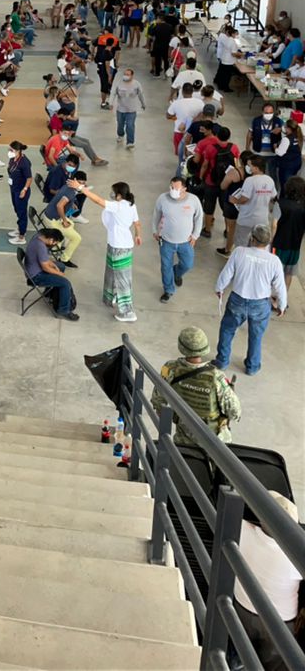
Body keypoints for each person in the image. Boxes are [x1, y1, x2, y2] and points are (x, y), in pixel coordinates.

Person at [233, 491, 301, 671]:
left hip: (241, 605)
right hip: (279, 620)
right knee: (276, 663)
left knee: (239, 649)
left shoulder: (241, 529)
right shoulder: (297, 553)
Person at [214, 226, 288, 375]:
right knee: (256, 336)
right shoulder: (274, 261)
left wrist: (219, 288)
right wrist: (282, 305)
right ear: (268, 242)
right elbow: (280, 286)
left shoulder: (239, 252)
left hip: (237, 300)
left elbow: (227, 273)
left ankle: (222, 361)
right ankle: (252, 367)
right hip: (260, 304)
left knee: (227, 330)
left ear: (252, 238)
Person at [151, 327, 241, 446]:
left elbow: (158, 400)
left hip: (183, 440)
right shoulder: (217, 377)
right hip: (216, 443)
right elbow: (234, 412)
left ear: (181, 346)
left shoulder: (169, 368)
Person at [154, 175, 201, 303]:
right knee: (165, 266)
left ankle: (177, 272)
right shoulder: (162, 199)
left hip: (186, 241)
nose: (172, 190)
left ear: (184, 189)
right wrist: (154, 230)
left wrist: (195, 235)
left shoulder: (193, 200)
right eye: (171, 187)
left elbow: (199, 217)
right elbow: (156, 214)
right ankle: (168, 290)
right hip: (166, 241)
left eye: (176, 188)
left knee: (188, 264)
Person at [100, 182, 142, 323]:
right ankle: (111, 296)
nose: (111, 194)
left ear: (119, 194)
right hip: (117, 244)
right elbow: (137, 223)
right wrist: (138, 235)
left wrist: (81, 188)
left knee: (123, 278)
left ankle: (128, 312)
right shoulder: (131, 205)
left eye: (113, 191)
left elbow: (98, 201)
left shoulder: (118, 206)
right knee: (111, 272)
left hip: (119, 247)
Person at [24, 226, 78, 320]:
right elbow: (45, 267)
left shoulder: (39, 236)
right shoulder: (40, 246)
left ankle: (49, 292)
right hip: (36, 276)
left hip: (35, 268)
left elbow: (43, 259)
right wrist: (59, 274)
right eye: (54, 243)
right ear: (51, 239)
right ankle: (63, 310)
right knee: (65, 283)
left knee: (61, 266)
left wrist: (53, 265)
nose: (54, 245)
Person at [109, 67, 146, 149]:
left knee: (130, 125)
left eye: (128, 74)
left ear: (132, 76)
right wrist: (110, 103)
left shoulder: (136, 84)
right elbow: (113, 93)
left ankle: (130, 142)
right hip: (120, 109)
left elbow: (141, 94)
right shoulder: (119, 83)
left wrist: (143, 104)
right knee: (120, 124)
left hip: (131, 110)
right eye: (125, 74)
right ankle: (120, 134)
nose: (125, 76)